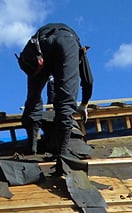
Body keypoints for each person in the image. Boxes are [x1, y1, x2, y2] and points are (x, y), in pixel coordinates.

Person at [17, 23, 93, 170]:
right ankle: (63, 152)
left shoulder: (47, 40)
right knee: (66, 100)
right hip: (65, 41)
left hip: (39, 43)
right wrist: (83, 104)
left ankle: (31, 144)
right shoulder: (73, 47)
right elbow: (88, 80)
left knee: (33, 95)